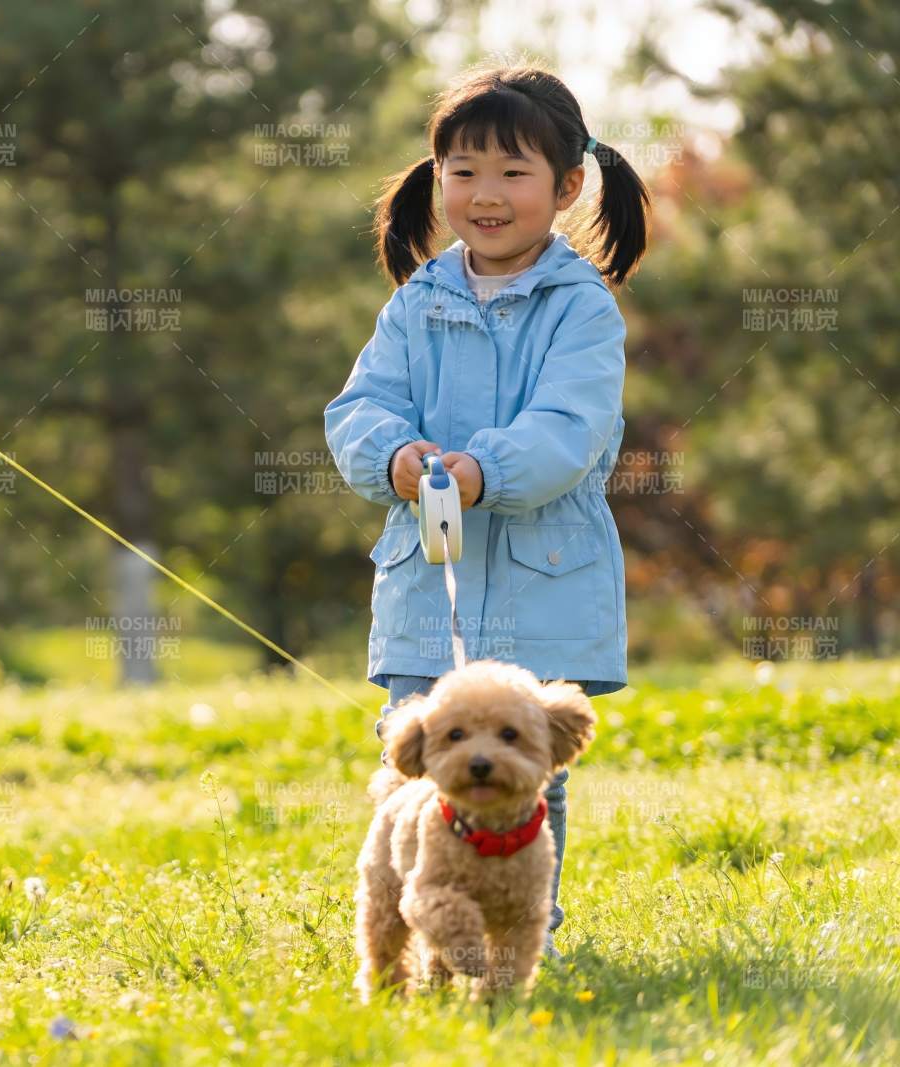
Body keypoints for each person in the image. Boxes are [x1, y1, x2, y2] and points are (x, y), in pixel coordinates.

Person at [323, 61, 651, 957]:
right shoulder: (415, 303)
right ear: (437, 181)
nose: (486, 194)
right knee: (417, 775)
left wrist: (485, 468)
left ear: (569, 185)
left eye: (514, 172)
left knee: (526, 775)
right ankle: (408, 923)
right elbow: (358, 407)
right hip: (427, 590)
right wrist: (394, 454)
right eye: (463, 171)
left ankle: (521, 934)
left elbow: (569, 428)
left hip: (544, 583)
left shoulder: (580, 308)